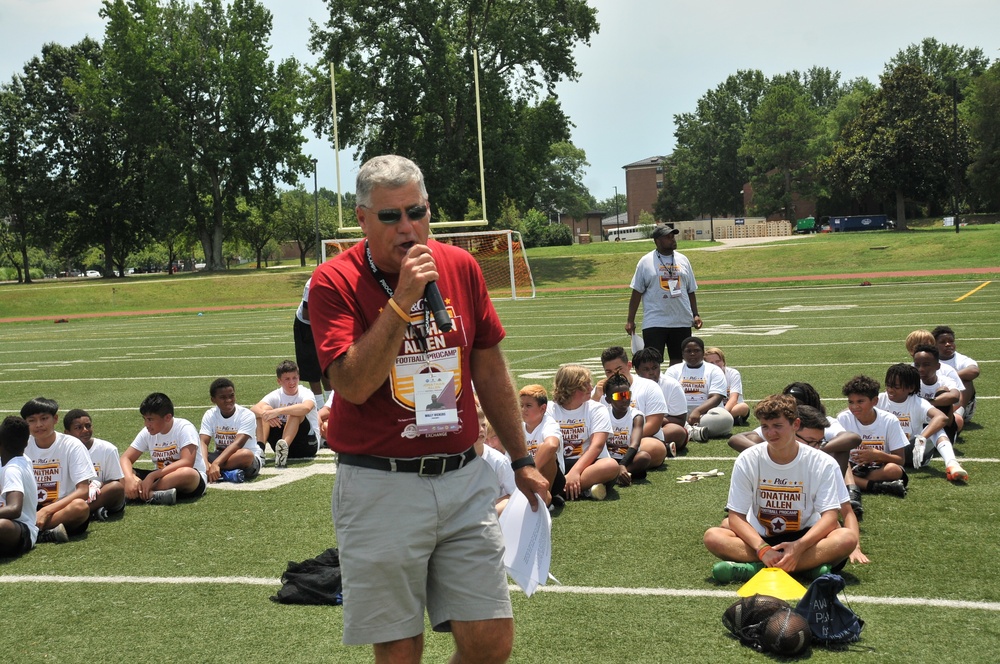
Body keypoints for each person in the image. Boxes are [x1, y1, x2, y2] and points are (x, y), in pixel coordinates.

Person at [308, 155, 548, 662]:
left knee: (490, 642)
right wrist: (402, 301)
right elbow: (352, 384)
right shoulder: (333, 281)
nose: (407, 227)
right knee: (400, 650)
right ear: (362, 219)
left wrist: (523, 460)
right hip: (380, 482)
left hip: (463, 477)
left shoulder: (459, 266)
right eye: (390, 216)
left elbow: (489, 370)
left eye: (416, 212)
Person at [703, 394, 858, 582]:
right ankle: (804, 569)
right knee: (713, 536)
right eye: (765, 427)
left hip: (806, 537)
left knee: (846, 538)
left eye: (777, 426)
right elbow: (736, 516)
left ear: (796, 424)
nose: (770, 433)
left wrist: (799, 546)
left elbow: (830, 516)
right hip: (761, 537)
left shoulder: (822, 462)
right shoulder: (748, 459)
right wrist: (763, 550)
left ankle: (756, 569)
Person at [625, 223, 702, 365]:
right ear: (657, 241)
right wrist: (630, 320)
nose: (673, 239)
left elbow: (690, 290)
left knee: (678, 363)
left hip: (681, 320)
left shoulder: (683, 260)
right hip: (655, 321)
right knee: (652, 362)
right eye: (668, 237)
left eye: (673, 236)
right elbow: (636, 292)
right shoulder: (645, 261)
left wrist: (695, 314)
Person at [21, 397, 96, 543]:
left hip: (60, 509)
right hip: (29, 508)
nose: (39, 425)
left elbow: (83, 491)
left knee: (80, 507)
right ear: (25, 423)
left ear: (55, 419)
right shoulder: (21, 444)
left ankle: (27, 532)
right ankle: (43, 533)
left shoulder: (72, 444)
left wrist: (47, 510)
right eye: (32, 420)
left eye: (44, 418)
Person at [878, 364, 967, 482]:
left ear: (910, 388)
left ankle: (952, 463)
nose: (890, 390)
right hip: (886, 450)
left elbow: (942, 418)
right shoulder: (879, 399)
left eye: (896, 387)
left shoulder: (918, 402)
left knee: (936, 428)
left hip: (913, 452)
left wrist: (922, 438)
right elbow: (849, 414)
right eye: (888, 385)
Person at [120, 393, 208, 506]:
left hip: (189, 480)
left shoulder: (184, 428)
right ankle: (153, 495)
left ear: (167, 417)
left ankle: (141, 494)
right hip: (160, 478)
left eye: (150, 419)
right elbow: (125, 458)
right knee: (121, 472)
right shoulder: (147, 432)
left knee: (186, 473)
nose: (146, 424)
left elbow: (187, 462)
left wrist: (152, 477)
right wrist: (129, 479)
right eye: (145, 419)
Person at [549, 365, 620, 501]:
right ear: (570, 388)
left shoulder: (597, 409)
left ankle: (558, 492)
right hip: (560, 463)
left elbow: (597, 446)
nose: (590, 388)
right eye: (584, 385)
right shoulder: (550, 409)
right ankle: (583, 489)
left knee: (610, 465)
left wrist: (575, 471)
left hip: (589, 464)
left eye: (589, 383)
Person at [592, 346, 669, 470]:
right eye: (609, 372)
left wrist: (625, 438)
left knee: (654, 448)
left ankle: (615, 471)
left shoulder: (649, 386)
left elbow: (654, 424)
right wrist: (596, 396)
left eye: (619, 369)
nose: (614, 374)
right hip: (608, 441)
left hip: (642, 438)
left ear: (628, 365)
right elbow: (586, 418)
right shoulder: (601, 389)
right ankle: (618, 470)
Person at [837, 376, 908, 498]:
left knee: (894, 470)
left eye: (860, 401)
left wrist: (877, 455)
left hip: (876, 469)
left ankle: (854, 483)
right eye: (850, 402)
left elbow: (900, 459)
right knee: (838, 470)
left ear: (875, 401)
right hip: (850, 467)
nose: (854, 406)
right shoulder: (843, 419)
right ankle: (875, 486)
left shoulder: (890, 420)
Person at [251, 360, 320, 469]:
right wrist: (266, 414)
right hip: (280, 440)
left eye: (294, 378)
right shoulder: (276, 394)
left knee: (294, 413)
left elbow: (306, 407)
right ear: (279, 381)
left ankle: (283, 448)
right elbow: (253, 409)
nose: (292, 382)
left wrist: (278, 411)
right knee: (264, 410)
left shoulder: (305, 392)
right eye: (287, 379)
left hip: (307, 444)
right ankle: (260, 451)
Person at [62, 409, 126, 522]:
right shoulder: (62, 451)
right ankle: (90, 513)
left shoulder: (108, 449)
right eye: (78, 428)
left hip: (99, 496)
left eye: (88, 426)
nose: (85, 430)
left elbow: (118, 482)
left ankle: (79, 512)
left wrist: (98, 484)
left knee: (116, 488)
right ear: (67, 433)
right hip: (73, 497)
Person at [666, 337, 731, 442]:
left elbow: (716, 397)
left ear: (703, 353)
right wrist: (681, 415)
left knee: (725, 419)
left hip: (705, 415)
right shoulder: (673, 370)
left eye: (696, 350)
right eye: (688, 351)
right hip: (680, 413)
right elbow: (668, 396)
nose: (692, 354)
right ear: (682, 354)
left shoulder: (714, 370)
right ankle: (693, 431)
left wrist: (698, 411)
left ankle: (686, 430)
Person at [199, 378, 263, 484]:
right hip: (220, 455)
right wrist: (205, 464)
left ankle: (217, 471)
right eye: (223, 397)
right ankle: (225, 474)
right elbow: (203, 442)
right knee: (195, 454)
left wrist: (216, 463)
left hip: (243, 459)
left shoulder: (246, 415)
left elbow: (238, 444)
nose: (228, 400)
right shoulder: (210, 414)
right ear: (213, 399)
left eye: (231, 396)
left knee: (246, 454)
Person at [631, 347, 689, 454]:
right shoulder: (630, 384)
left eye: (655, 368)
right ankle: (660, 446)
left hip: (659, 428)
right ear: (637, 370)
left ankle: (652, 445)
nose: (652, 372)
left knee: (677, 431)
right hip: (632, 428)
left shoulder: (671, 385)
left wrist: (654, 420)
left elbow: (680, 419)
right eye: (646, 369)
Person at [602, 372, 653, 486]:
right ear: (608, 400)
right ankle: (620, 475)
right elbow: (601, 443)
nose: (624, 399)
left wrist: (622, 465)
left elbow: (635, 444)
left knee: (644, 457)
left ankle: (614, 476)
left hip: (628, 460)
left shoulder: (637, 416)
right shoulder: (604, 414)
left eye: (627, 394)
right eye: (618, 396)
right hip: (608, 459)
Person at [0, 416, 39, 556]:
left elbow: (14, 509)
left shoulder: (13, 469)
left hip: (22, 531)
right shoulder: (23, 459)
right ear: (27, 442)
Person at [518, 384, 563, 505]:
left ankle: (546, 498)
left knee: (543, 447)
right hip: (525, 479)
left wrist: (530, 473)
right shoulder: (519, 428)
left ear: (542, 409)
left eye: (528, 406)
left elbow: (552, 445)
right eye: (521, 405)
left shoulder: (549, 424)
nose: (523, 409)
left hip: (552, 479)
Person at [294, 276, 332, 400]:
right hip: (307, 325)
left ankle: (330, 401)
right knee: (312, 366)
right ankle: (319, 405)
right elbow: (306, 314)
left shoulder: (339, 281)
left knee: (326, 363)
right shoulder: (313, 283)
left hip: (324, 322)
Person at [932, 325, 980, 421]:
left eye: (951, 341)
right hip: (934, 402)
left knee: (966, 381)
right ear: (934, 344)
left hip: (960, 406)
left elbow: (974, 371)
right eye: (942, 342)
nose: (948, 344)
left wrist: (949, 378)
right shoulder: (929, 359)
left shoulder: (961, 359)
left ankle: (957, 415)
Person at [704, 346, 751, 426]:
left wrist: (723, 414)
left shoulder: (733, 373)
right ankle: (730, 420)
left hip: (731, 408)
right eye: (711, 363)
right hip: (712, 409)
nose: (715, 365)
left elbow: (734, 398)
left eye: (718, 361)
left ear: (723, 361)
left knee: (743, 407)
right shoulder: (704, 375)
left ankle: (718, 420)